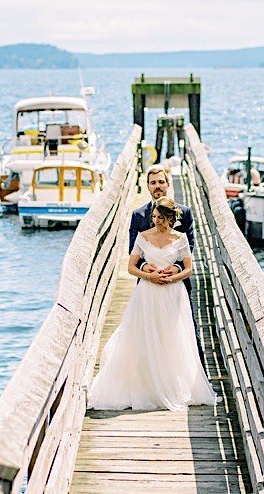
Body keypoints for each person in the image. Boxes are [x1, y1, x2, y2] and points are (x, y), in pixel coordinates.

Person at [89, 198, 217, 411]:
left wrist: (173, 278)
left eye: (159, 217)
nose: (155, 221)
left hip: (173, 293)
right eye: (154, 217)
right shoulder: (143, 237)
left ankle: (170, 386)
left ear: (169, 219)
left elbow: (188, 269)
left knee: (170, 337)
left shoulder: (181, 238)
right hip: (148, 292)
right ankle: (147, 385)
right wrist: (148, 276)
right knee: (145, 335)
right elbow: (131, 267)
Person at [129, 165, 195, 291]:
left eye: (161, 182)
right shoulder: (138, 215)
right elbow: (132, 247)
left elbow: (189, 245)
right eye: (153, 183)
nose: (157, 186)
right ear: (147, 186)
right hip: (148, 281)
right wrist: (144, 267)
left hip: (176, 280)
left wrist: (177, 267)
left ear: (168, 184)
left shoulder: (185, 212)